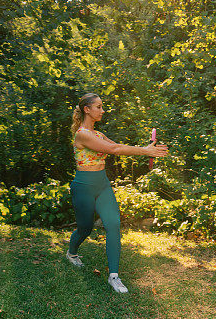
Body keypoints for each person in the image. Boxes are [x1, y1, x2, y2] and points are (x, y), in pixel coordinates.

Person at [67, 92, 168, 293]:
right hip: (83, 186)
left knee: (113, 224)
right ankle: (71, 253)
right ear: (87, 109)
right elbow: (114, 150)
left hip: (102, 184)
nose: (102, 111)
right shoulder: (82, 134)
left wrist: (145, 149)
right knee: (85, 229)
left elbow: (117, 146)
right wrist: (144, 151)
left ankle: (114, 276)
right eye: (98, 107)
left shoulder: (98, 134)